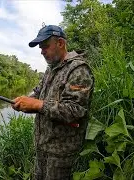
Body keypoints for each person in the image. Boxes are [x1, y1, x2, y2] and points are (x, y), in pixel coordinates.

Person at [12, 25, 94, 180]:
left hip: (62, 153)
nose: (42, 51)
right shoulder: (51, 69)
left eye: (45, 46)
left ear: (60, 43)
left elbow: (75, 111)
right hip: (43, 147)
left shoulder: (79, 70)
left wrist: (37, 105)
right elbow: (38, 93)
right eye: (40, 48)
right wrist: (24, 101)